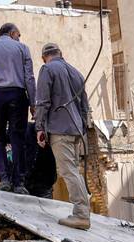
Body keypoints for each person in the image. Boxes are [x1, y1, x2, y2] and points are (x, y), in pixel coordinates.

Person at [34, 43, 92, 230]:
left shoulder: (47, 69)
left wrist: (39, 127)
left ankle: (81, 215)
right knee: (74, 170)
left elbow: (42, 102)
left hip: (60, 129)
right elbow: (85, 107)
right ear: (61, 54)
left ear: (44, 57)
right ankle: (82, 211)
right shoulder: (76, 73)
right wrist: (82, 128)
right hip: (76, 129)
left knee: (68, 171)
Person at [0, 22, 36, 194]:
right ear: (12, 33)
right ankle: (19, 182)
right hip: (18, 95)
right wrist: (34, 104)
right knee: (18, 139)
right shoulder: (22, 49)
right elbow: (29, 78)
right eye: (19, 35)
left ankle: (3, 179)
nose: (19, 38)